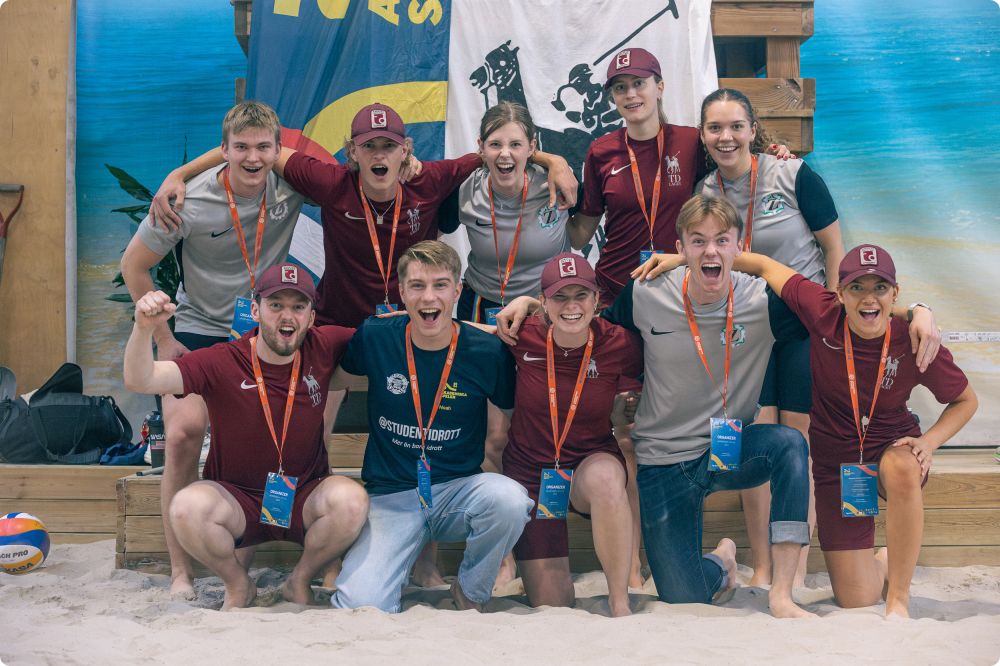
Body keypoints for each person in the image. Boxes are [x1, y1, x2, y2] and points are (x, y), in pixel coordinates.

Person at [500, 195, 940, 617]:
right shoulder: (647, 292)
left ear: (738, 247)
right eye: (697, 241)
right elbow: (583, 318)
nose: (710, 250)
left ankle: (783, 592)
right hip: (664, 461)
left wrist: (916, 310)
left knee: (789, 445)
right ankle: (724, 561)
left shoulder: (764, 301)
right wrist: (533, 304)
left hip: (728, 452)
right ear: (680, 248)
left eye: (721, 240)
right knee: (683, 596)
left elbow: (851, 310)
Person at [119, 101, 305, 599]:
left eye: (263, 147)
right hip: (199, 328)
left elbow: (353, 174)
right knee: (182, 435)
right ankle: (180, 572)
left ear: (277, 150)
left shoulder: (290, 186)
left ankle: (236, 561)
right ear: (222, 151)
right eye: (239, 147)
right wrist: (163, 338)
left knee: (256, 437)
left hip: (262, 334)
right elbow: (134, 267)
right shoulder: (186, 201)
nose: (252, 157)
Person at [731, 246, 977, 617]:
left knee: (903, 466)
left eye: (880, 287)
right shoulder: (822, 311)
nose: (868, 297)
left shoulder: (913, 340)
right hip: (837, 467)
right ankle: (885, 558)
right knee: (857, 598)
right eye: (857, 287)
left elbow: (965, 401)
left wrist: (929, 442)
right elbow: (765, 265)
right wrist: (678, 258)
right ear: (839, 293)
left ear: (895, 293)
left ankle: (899, 601)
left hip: (893, 447)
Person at [122, 263, 369, 610]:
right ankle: (239, 584)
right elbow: (141, 380)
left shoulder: (324, 345)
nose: (288, 316)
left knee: (352, 501)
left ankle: (298, 581)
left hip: (304, 496)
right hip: (237, 500)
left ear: (312, 317)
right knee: (186, 508)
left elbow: (387, 336)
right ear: (255, 311)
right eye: (276, 305)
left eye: (299, 307)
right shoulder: (222, 360)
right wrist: (143, 329)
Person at [328, 240, 533, 613]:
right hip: (391, 496)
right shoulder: (375, 337)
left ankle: (470, 592)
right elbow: (330, 379)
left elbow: (514, 417)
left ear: (457, 291)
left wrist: (530, 304)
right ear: (402, 292)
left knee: (510, 500)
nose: (429, 297)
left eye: (441, 285)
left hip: (457, 491)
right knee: (360, 604)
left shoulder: (487, 352)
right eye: (418, 285)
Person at [696, 87, 845, 586]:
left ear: (753, 129)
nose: (726, 136)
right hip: (744, 334)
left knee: (798, 445)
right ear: (703, 135)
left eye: (736, 126)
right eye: (715, 128)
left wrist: (834, 317)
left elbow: (834, 248)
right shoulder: (704, 192)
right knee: (757, 445)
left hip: (802, 329)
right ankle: (762, 564)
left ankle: (795, 568)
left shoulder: (793, 173)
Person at [503, 253, 642, 617]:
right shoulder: (520, 335)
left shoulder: (620, 343)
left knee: (609, 479)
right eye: (560, 297)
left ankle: (619, 602)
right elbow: (458, 334)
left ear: (597, 300)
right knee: (553, 603)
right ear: (543, 302)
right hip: (533, 477)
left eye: (581, 295)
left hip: (586, 465)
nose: (571, 306)